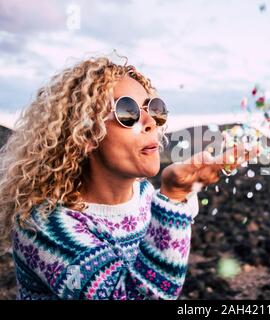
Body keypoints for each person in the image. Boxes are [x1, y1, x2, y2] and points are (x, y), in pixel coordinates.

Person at [0, 56, 235, 300]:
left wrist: (182, 192)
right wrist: (173, 198)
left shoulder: (144, 194)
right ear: (85, 133)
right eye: (127, 112)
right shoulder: (43, 227)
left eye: (153, 108)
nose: (150, 121)